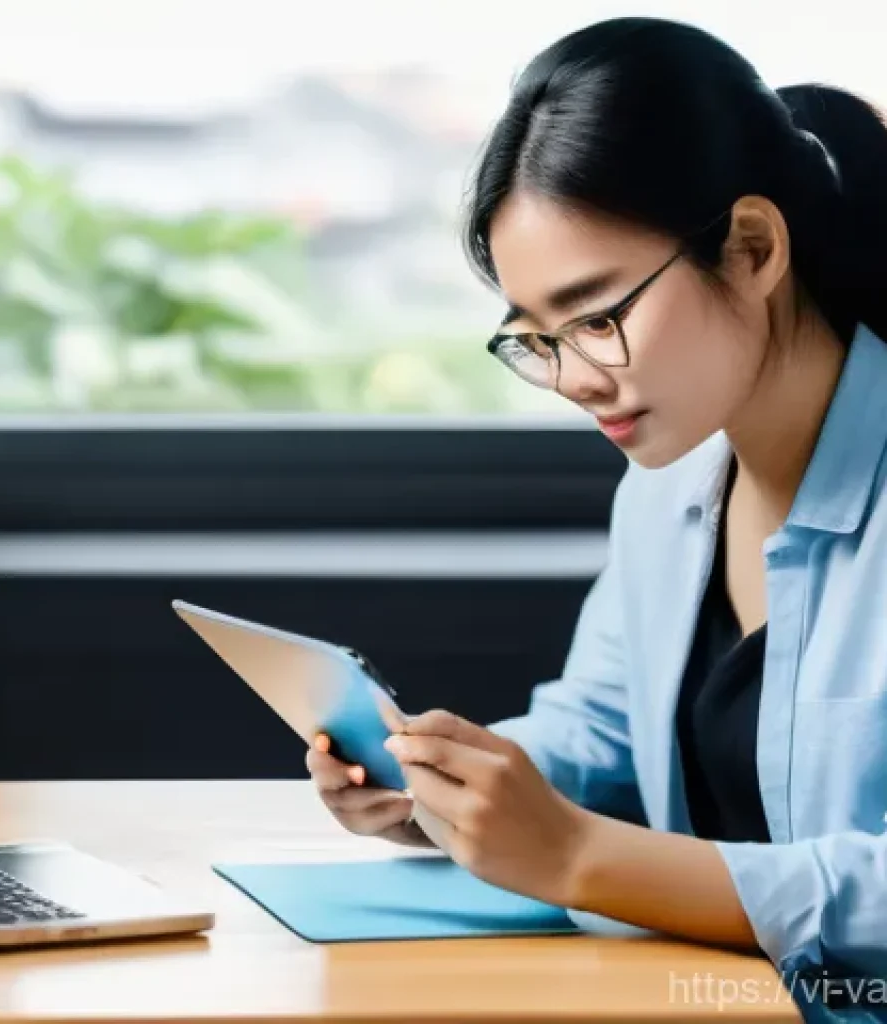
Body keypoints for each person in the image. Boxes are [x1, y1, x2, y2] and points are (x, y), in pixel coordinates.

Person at [306, 15, 887, 1021]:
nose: (572, 378)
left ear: (750, 248)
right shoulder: (667, 488)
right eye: (535, 338)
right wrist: (445, 791)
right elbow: (603, 734)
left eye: (598, 317)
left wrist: (575, 854)